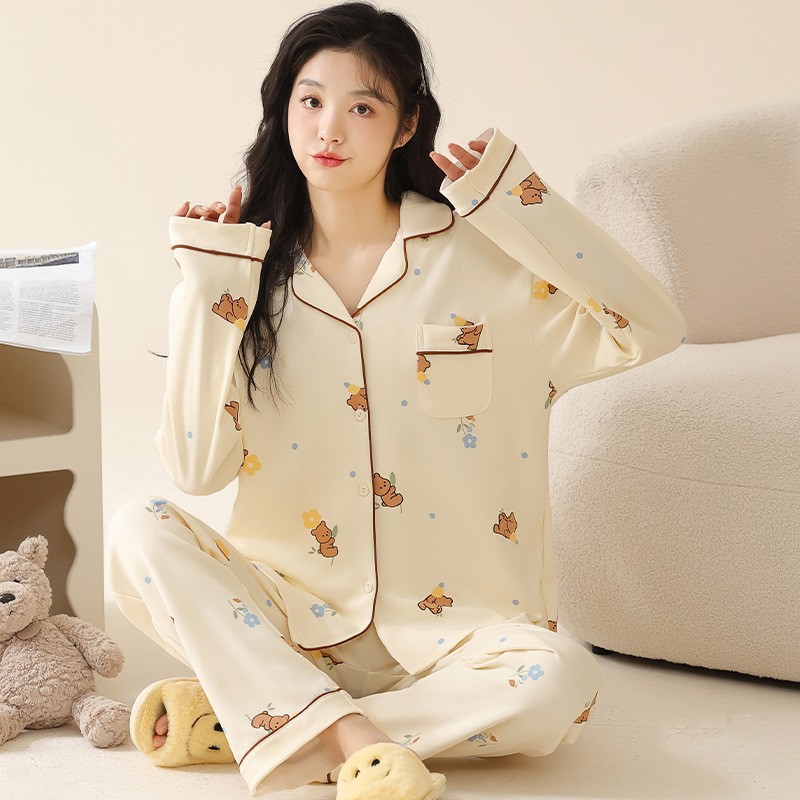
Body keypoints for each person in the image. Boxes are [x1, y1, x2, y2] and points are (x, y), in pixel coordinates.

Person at [107, 2, 687, 797]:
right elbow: (195, 471)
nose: (329, 130)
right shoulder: (244, 271)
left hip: (459, 639)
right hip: (289, 618)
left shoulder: (489, 260)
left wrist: (524, 204)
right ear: (283, 110)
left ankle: (267, 719)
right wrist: (207, 291)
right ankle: (347, 736)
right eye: (311, 101)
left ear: (406, 124)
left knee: (562, 681)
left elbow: (652, 326)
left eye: (363, 107)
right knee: (136, 528)